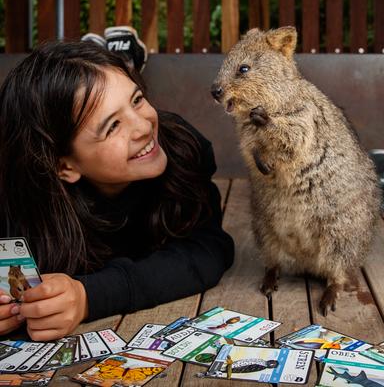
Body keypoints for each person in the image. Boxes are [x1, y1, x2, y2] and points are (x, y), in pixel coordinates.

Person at [0, 40, 235, 341]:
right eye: (112, 127)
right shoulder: (23, 199)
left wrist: (89, 297)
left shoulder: (182, 151)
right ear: (65, 167)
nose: (143, 127)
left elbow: (209, 249)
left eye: (136, 100)